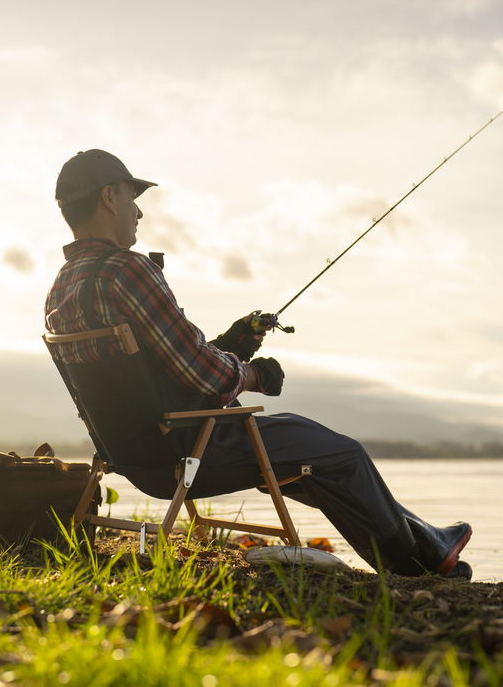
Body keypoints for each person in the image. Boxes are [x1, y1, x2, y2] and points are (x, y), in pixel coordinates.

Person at [45, 149, 471, 578]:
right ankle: (412, 566)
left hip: (133, 454)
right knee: (344, 454)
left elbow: (154, 374)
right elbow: (202, 373)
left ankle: (426, 542)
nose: (139, 212)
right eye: (131, 196)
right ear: (108, 197)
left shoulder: (61, 287)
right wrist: (256, 374)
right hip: (190, 450)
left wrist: (233, 344)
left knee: (314, 462)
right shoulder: (128, 270)